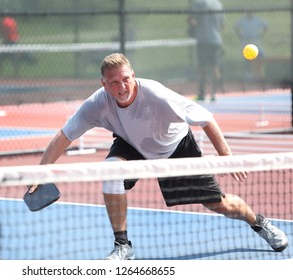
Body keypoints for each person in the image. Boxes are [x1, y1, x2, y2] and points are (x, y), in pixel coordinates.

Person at [35, 52, 288, 260]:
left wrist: (226, 154)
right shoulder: (97, 104)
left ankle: (259, 222)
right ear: (104, 84)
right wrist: (39, 173)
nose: (121, 86)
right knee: (111, 169)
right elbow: (64, 136)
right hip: (132, 145)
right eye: (113, 82)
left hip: (176, 148)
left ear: (133, 76)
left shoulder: (157, 95)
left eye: (125, 79)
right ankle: (122, 245)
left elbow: (205, 117)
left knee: (217, 203)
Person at [189, 0, 224, 101]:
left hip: (203, 40)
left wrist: (194, 26)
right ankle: (214, 94)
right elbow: (222, 24)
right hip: (216, 40)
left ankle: (202, 93)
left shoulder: (197, 3)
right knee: (215, 68)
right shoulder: (218, 4)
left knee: (202, 68)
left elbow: (192, 21)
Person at [235, 12, 268, 83]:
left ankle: (258, 75)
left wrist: (261, 35)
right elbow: (236, 27)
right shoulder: (243, 20)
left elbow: (266, 26)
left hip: (255, 40)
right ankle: (247, 74)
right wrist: (240, 36)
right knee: (247, 58)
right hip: (246, 41)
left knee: (260, 56)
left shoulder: (257, 19)